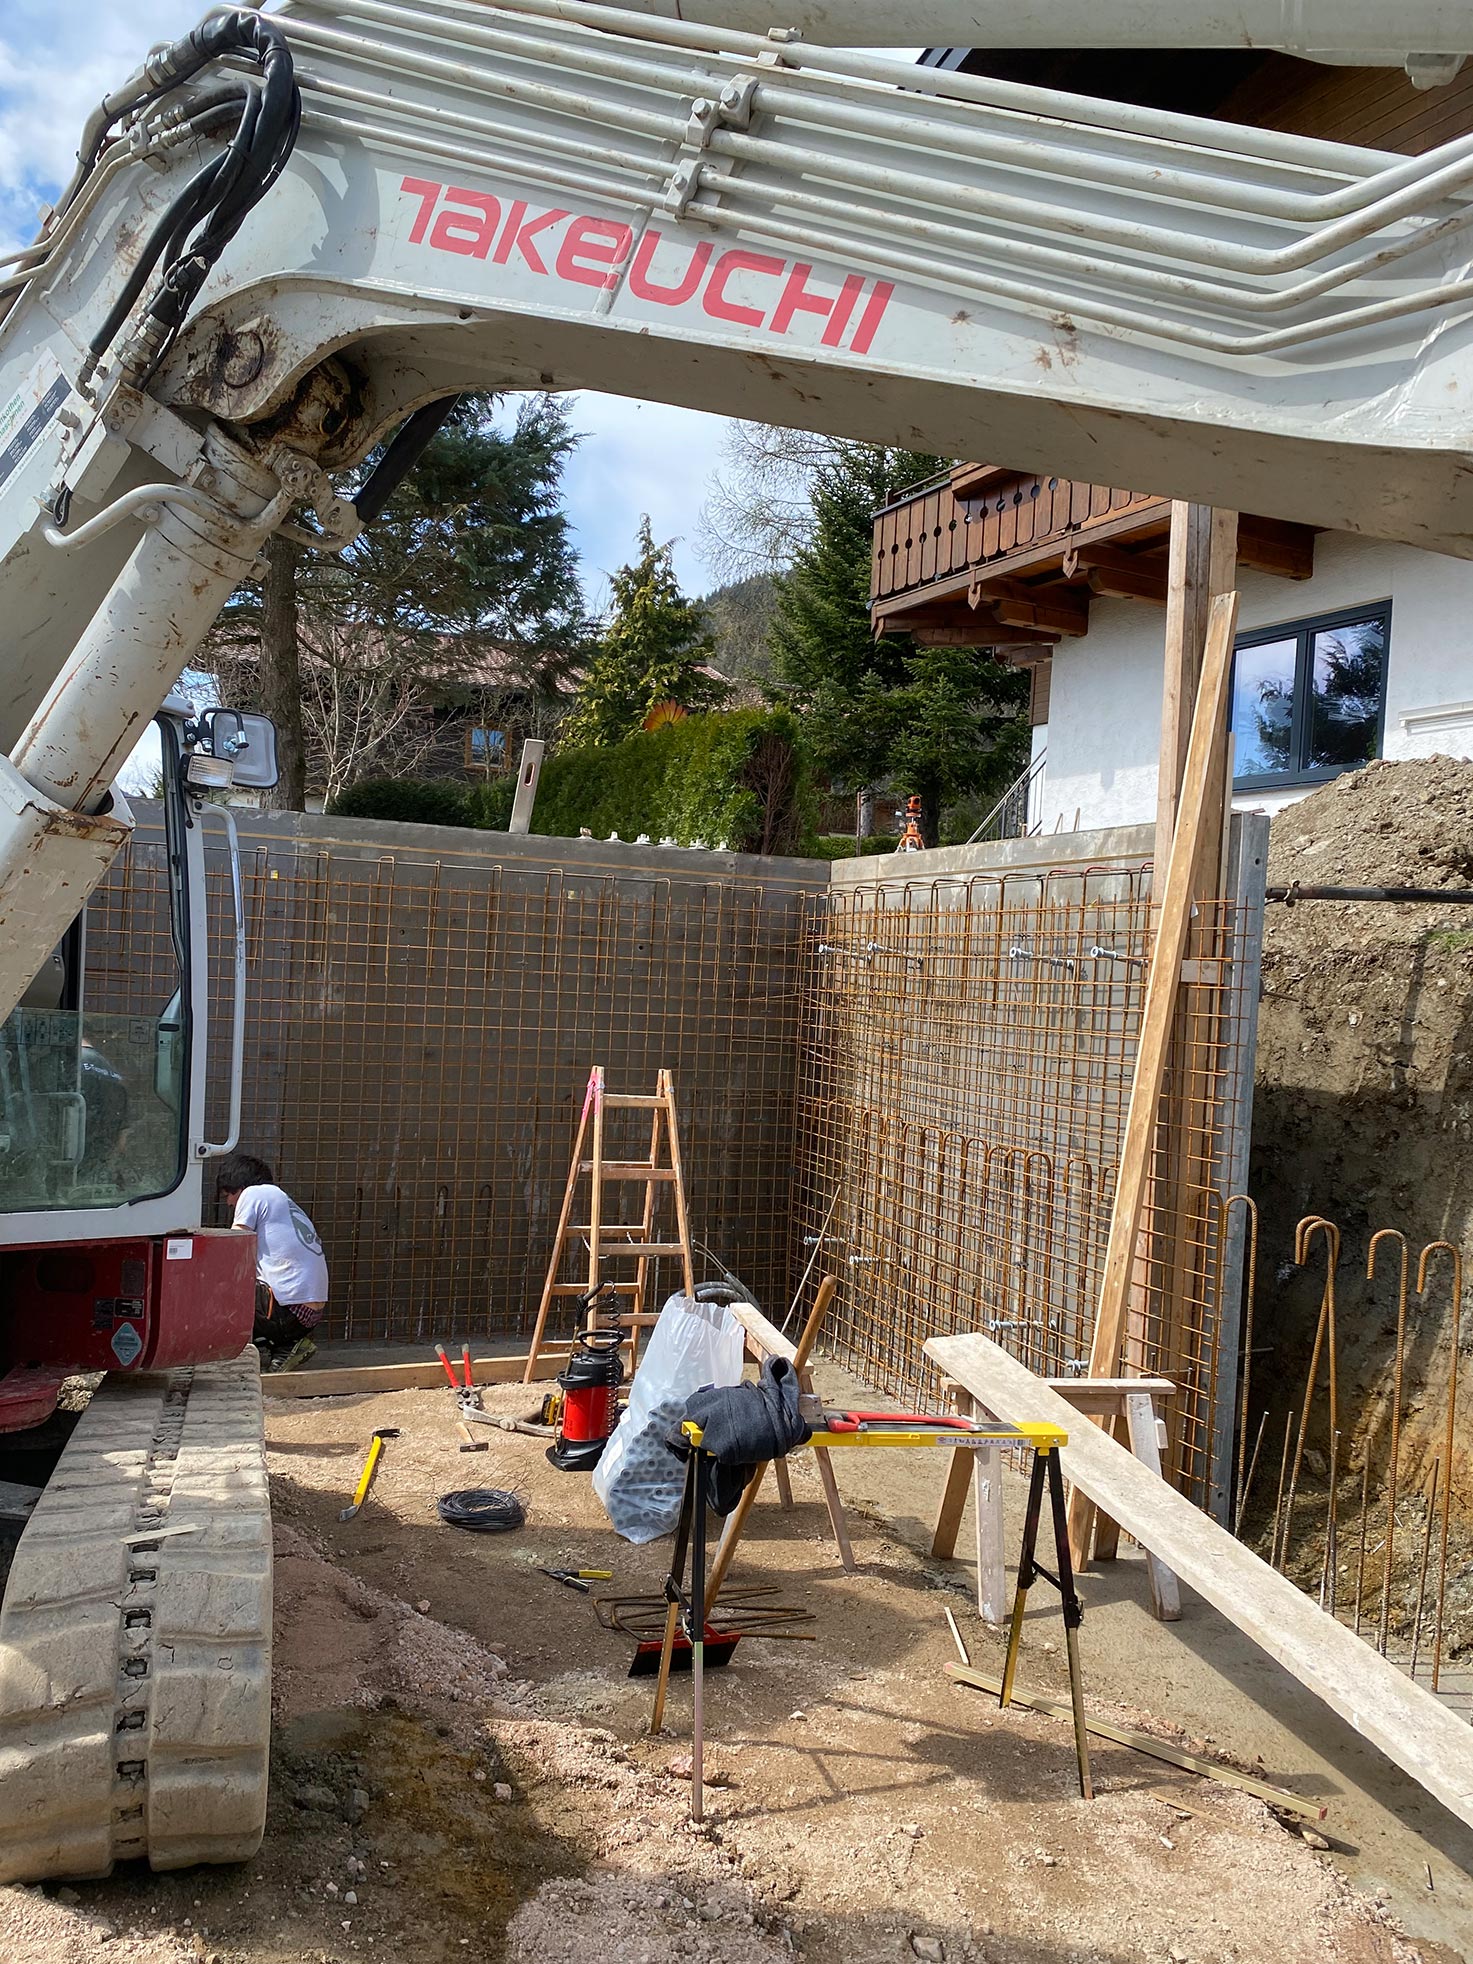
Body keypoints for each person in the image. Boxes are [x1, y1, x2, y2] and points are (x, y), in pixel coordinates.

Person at [216, 1152, 329, 1372]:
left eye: (229, 1193)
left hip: (286, 1312)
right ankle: (287, 1347)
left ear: (241, 1186)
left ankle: (226, 1359)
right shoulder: (281, 1201)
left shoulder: (254, 1194)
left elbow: (234, 1248)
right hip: (305, 1316)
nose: (229, 1203)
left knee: (215, 1283)